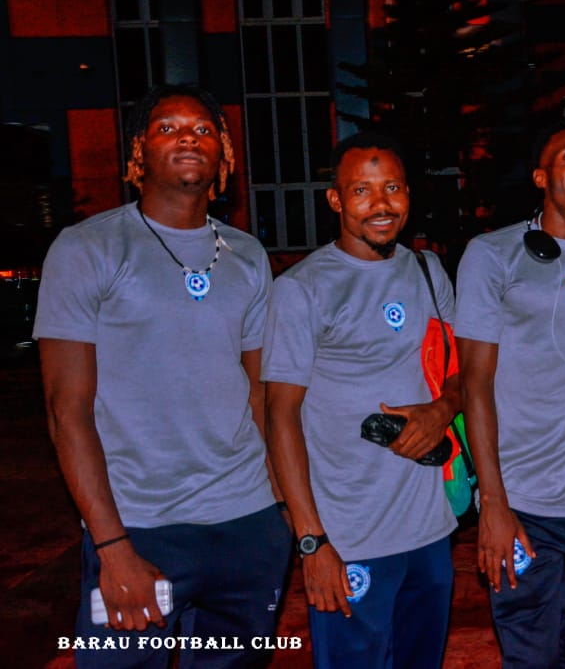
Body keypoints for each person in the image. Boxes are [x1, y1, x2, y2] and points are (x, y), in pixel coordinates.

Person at [34, 84, 291, 667]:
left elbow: (258, 397)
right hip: (140, 529)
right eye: (167, 128)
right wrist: (111, 546)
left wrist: (280, 513)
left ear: (224, 154)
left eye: (203, 129)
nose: (188, 139)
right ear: (138, 154)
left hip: (247, 525)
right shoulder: (87, 248)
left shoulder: (249, 255)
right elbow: (65, 410)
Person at [262, 132, 460, 669]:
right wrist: (312, 540)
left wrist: (442, 409)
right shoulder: (302, 288)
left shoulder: (428, 270)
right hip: (349, 537)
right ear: (336, 200)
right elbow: (279, 415)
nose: (381, 204)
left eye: (392, 187)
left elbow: (461, 371)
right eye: (362, 190)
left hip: (430, 528)